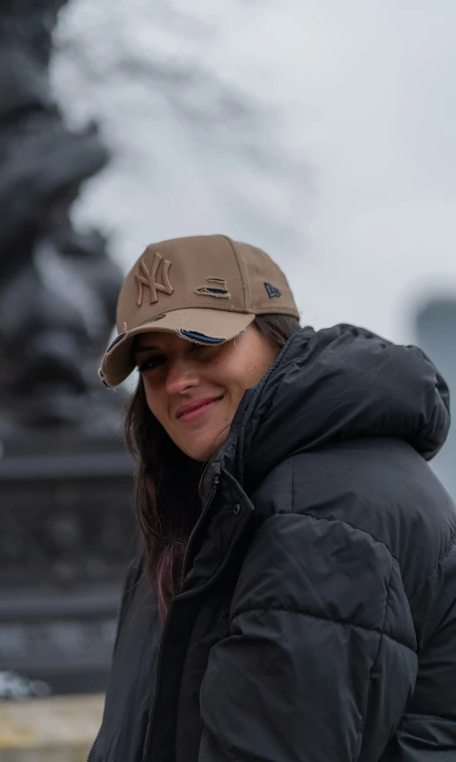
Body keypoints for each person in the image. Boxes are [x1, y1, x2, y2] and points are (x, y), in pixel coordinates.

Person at [89, 234, 456, 762]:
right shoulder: (208, 514)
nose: (177, 381)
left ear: (278, 338)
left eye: (203, 343)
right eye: (152, 363)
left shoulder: (322, 514)